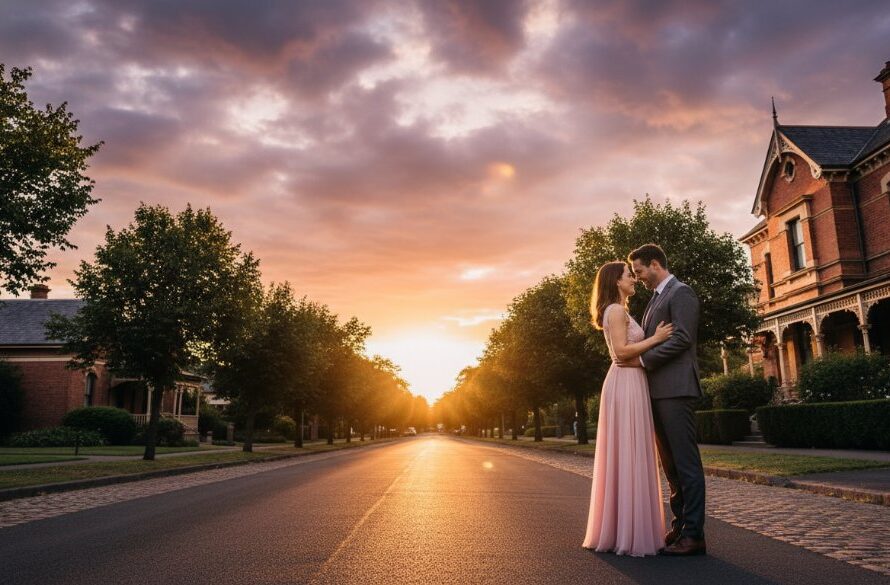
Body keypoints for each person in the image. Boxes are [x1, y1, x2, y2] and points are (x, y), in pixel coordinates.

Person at [582, 261, 672, 557]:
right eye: (628, 275)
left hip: (629, 380)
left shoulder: (617, 310)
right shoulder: (616, 310)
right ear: (615, 281)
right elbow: (620, 352)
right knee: (629, 451)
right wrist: (655, 339)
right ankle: (629, 532)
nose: (633, 278)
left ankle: (625, 527)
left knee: (628, 452)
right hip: (626, 380)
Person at [630, 243, 707, 556]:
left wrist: (644, 360)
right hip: (659, 393)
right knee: (671, 466)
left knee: (686, 464)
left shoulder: (681, 293)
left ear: (655, 263)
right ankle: (680, 527)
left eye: (640, 271)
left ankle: (695, 535)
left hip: (677, 390)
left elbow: (683, 338)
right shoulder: (656, 298)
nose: (638, 278)